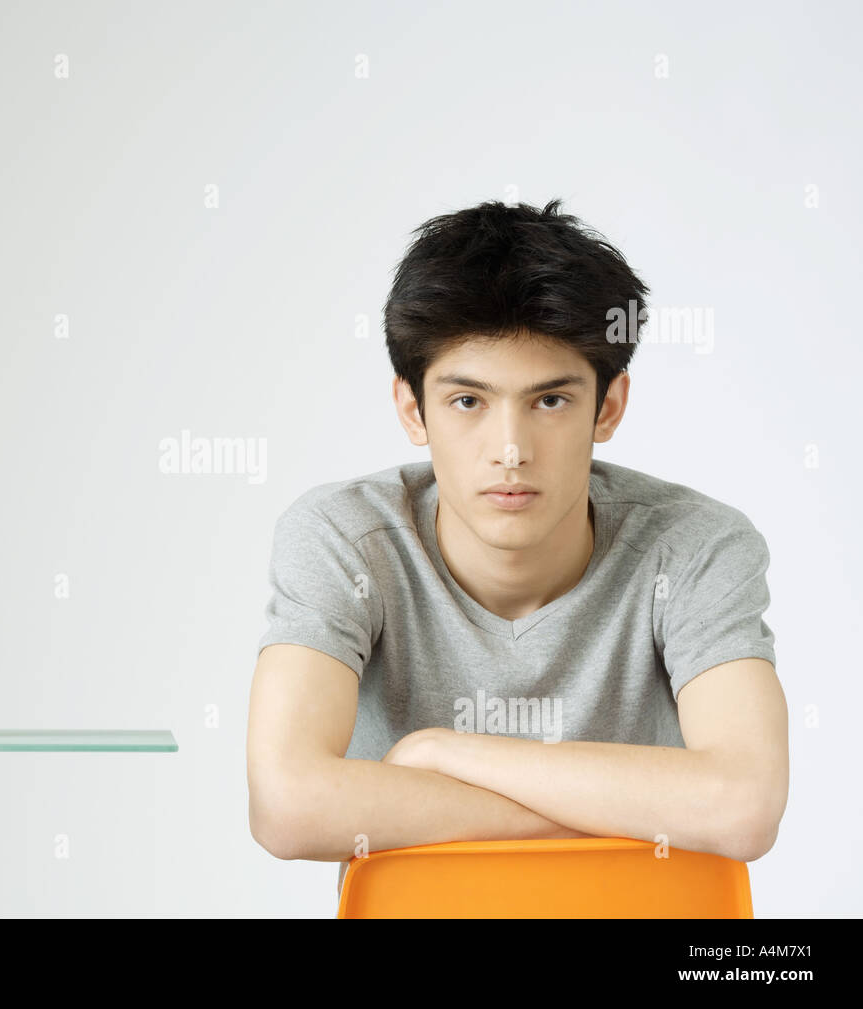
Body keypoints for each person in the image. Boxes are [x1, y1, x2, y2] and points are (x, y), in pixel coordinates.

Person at [245, 199, 788, 900]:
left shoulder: (694, 547)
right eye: (468, 401)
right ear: (413, 410)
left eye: (550, 401)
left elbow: (744, 805)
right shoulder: (345, 539)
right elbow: (286, 806)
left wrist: (445, 754)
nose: (510, 451)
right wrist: (605, 811)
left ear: (609, 407)